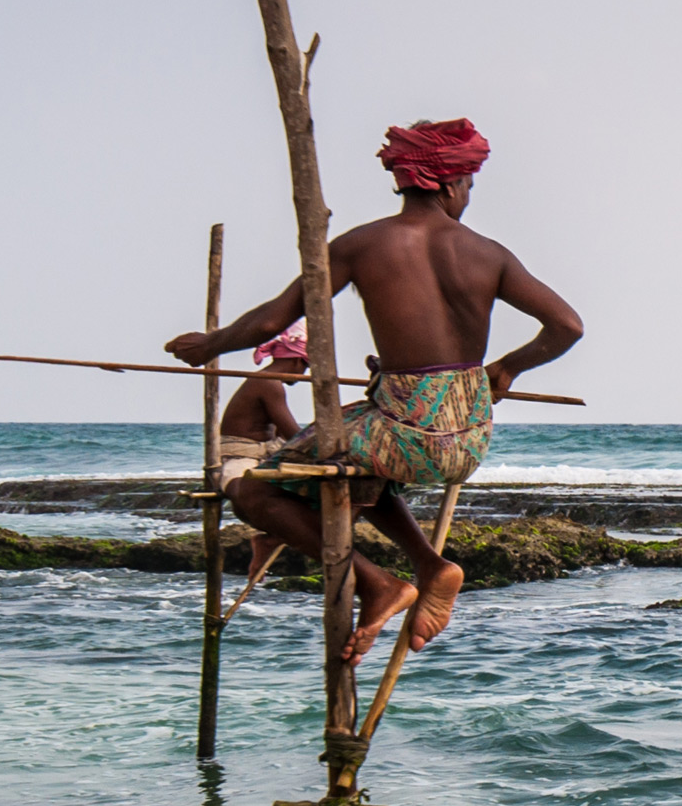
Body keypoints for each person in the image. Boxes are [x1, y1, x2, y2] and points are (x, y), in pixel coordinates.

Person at [167, 118, 584, 662]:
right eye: (469, 187)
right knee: (360, 462)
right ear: (449, 183)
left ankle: (378, 584)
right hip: (468, 436)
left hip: (405, 431)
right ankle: (431, 566)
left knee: (251, 491)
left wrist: (211, 345)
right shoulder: (490, 253)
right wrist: (506, 369)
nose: (467, 198)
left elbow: (273, 318)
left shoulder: (362, 245)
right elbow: (567, 327)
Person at [215, 327, 308, 610]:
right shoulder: (269, 384)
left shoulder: (270, 384)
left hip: (264, 454)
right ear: (297, 361)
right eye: (306, 366)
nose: (305, 374)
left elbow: (284, 437)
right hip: (240, 458)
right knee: (244, 495)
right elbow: (295, 435)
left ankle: (271, 538)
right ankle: (268, 538)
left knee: (305, 497)